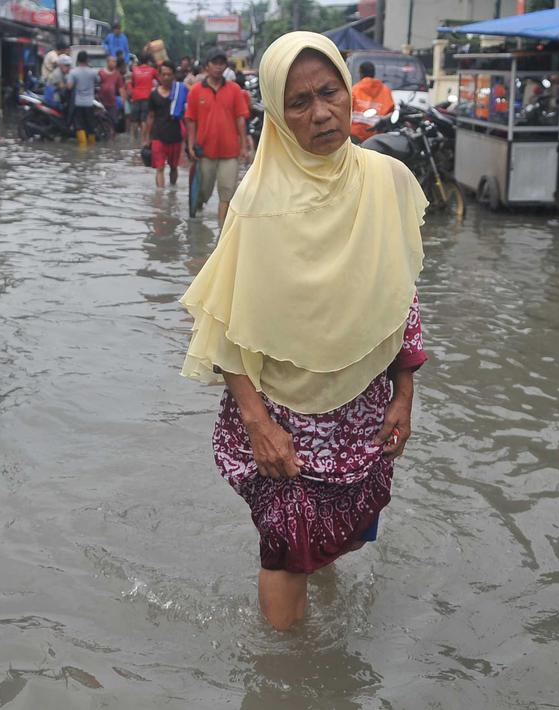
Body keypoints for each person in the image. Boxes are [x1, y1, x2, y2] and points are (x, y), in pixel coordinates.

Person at [179, 31, 428, 632]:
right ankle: (285, 679)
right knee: (286, 551)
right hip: (284, 415)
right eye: (297, 102)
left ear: (349, 90)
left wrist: (404, 395)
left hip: (363, 405)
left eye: (329, 91)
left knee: (336, 538)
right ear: (275, 112)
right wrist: (257, 425)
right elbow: (227, 327)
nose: (320, 113)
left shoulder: (385, 179)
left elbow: (401, 294)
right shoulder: (257, 203)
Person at [184, 51, 251, 226]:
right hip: (205, 151)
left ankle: (222, 235)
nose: (219, 66)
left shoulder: (235, 90)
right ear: (207, 66)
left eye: (222, 63)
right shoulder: (196, 91)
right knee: (203, 192)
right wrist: (190, 145)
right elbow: (190, 120)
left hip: (230, 152)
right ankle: (197, 214)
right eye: (215, 62)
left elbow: (240, 119)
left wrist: (244, 146)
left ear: (226, 67)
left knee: (227, 194)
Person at [142, 61, 187, 187]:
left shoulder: (180, 92)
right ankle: (160, 197)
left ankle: (172, 192)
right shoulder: (153, 95)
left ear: (173, 76)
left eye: (169, 74)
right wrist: (146, 138)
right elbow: (150, 116)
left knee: (173, 167)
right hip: (158, 137)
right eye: (164, 74)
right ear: (159, 76)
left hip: (175, 136)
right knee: (159, 168)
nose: (166, 77)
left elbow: (186, 116)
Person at [349, 61, 394, 143]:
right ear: (374, 73)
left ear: (361, 73)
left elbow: (347, 110)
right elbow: (390, 112)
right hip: (377, 138)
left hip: (356, 136)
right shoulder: (386, 90)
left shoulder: (355, 89)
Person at [67, 50, 100, 146]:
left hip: (78, 103)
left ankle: (83, 146)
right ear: (87, 60)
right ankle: (92, 146)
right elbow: (98, 81)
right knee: (90, 125)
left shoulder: (73, 72)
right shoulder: (93, 72)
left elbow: (69, 86)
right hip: (89, 103)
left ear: (77, 60)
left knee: (79, 126)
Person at [128, 55, 158, 142]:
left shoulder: (134, 70)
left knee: (134, 120)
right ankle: (143, 139)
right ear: (148, 61)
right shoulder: (152, 70)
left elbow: (131, 83)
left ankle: (133, 139)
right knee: (144, 119)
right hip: (147, 97)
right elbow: (160, 79)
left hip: (136, 97)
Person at [98, 55, 127, 133]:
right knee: (101, 121)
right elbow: (97, 86)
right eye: (113, 61)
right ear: (108, 62)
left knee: (113, 122)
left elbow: (121, 89)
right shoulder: (101, 72)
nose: (115, 63)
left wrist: (124, 102)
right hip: (101, 103)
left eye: (115, 62)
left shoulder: (117, 75)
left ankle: (112, 139)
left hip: (112, 103)